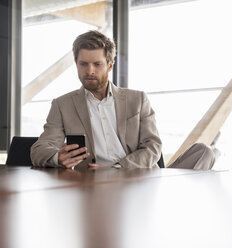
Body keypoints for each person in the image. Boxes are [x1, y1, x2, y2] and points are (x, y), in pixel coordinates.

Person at [30, 30, 215, 170]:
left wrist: (117, 168)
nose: (89, 71)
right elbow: (39, 149)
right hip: (93, 187)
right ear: (76, 64)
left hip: (138, 179)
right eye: (83, 64)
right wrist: (57, 158)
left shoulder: (137, 99)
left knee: (204, 152)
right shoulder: (62, 105)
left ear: (110, 65)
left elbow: (153, 146)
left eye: (97, 64)